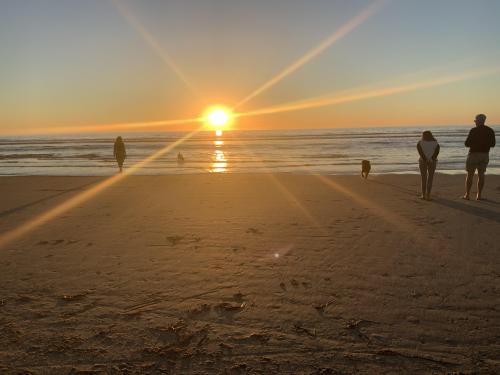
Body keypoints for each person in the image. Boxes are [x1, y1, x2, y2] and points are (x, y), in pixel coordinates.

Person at [463, 114, 496, 200]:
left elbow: (466, 144)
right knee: (481, 175)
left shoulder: (473, 130)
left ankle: (467, 194)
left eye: (475, 121)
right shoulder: (490, 130)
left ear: (478, 121)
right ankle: (479, 195)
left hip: (473, 154)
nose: (475, 123)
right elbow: (493, 144)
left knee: (470, 174)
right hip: (484, 154)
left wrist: (475, 143)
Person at [417, 130, 440, 201]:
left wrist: (425, 159)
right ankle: (428, 195)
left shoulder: (420, 143)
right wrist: (431, 159)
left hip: (422, 161)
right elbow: (437, 152)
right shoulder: (436, 143)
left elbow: (420, 152)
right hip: (432, 161)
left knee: (423, 178)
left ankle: (423, 195)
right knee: (430, 178)